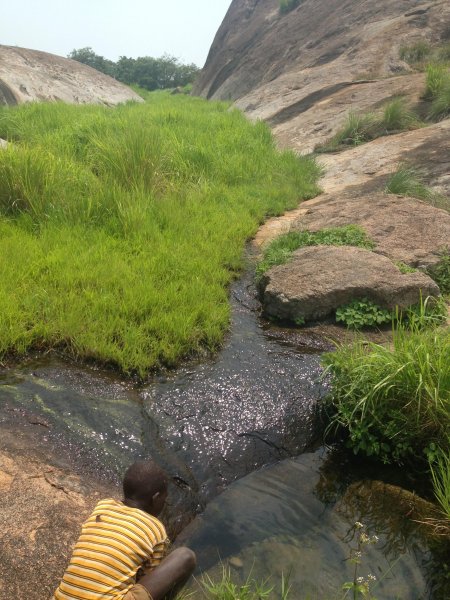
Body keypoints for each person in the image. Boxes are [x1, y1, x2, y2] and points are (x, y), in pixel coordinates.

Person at [53, 460, 196, 600]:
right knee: (185, 556)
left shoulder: (103, 506)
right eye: (164, 500)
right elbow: (148, 578)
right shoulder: (156, 528)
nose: (164, 503)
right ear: (156, 498)